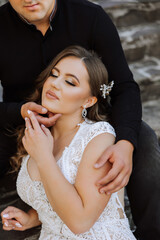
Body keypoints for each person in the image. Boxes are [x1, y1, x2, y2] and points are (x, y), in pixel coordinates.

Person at [0, 0, 159, 239]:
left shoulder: (90, 17)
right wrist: (20, 112)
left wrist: (126, 143)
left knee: (143, 139)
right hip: (22, 119)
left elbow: (125, 86)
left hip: (86, 117)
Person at [1, 45, 136, 240]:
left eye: (70, 82)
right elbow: (54, 199)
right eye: (54, 75)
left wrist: (43, 156)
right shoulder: (39, 134)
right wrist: (32, 217)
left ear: (89, 101)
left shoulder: (99, 137)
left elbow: (80, 221)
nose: (55, 84)